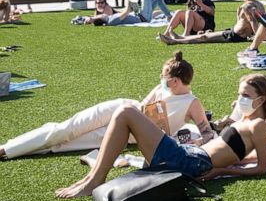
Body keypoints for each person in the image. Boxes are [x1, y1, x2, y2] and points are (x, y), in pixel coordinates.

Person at [55, 72, 266, 198]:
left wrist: (221, 171)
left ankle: (95, 180)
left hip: (191, 162)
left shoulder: (258, 125)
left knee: (125, 112)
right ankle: (92, 178)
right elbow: (241, 154)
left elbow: (263, 167)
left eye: (245, 95)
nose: (240, 99)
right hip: (190, 153)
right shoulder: (246, 121)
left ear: (262, 99)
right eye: (239, 93)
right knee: (126, 116)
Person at [0, 52, 212, 160]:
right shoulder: (162, 87)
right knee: (66, 128)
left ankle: (16, 150)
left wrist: (199, 141)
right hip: (121, 109)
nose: (161, 78)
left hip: (129, 133)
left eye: (164, 76)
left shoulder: (192, 103)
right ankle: (7, 148)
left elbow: (206, 132)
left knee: (66, 144)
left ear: (175, 80)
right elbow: (145, 105)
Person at [159, 0, 263, 45]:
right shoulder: (260, 5)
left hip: (234, 35)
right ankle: (179, 37)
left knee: (204, 37)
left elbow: (253, 21)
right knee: (204, 36)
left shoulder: (246, 7)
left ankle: (175, 41)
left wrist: (258, 38)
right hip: (235, 33)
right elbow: (263, 21)